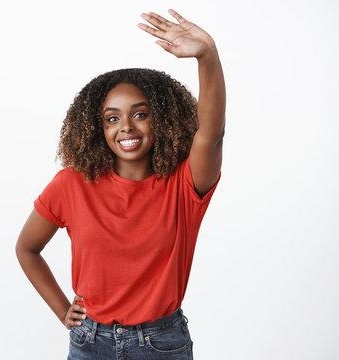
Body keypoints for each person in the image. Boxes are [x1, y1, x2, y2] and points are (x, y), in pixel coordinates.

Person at [15, 8, 225, 360]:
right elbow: (27, 249)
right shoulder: (71, 184)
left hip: (161, 343)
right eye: (112, 118)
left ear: (162, 120)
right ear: (99, 128)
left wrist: (208, 56)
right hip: (89, 342)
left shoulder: (184, 185)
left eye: (140, 114)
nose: (125, 127)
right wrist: (63, 310)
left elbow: (212, 135)